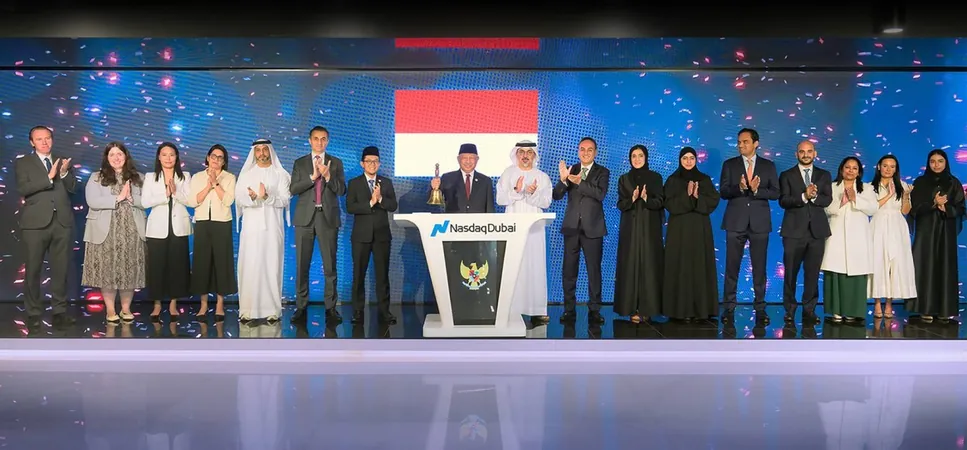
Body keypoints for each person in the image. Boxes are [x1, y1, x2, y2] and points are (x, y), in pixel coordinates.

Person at [15, 125, 77, 329]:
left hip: (62, 223)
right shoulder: (23, 162)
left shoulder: (62, 160)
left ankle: (59, 312)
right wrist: (48, 177)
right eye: (39, 139)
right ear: (32, 142)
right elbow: (23, 188)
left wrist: (64, 174)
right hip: (35, 225)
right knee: (33, 270)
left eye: (47, 138)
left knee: (61, 270)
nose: (44, 142)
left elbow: (73, 189)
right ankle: (33, 313)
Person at [81, 142, 147, 323]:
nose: (116, 158)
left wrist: (131, 198)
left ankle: (126, 309)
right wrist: (118, 198)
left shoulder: (139, 177)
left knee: (129, 271)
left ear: (126, 156)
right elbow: (92, 201)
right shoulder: (96, 177)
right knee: (107, 271)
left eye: (120, 154)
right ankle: (110, 310)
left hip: (132, 230)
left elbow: (146, 201)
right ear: (106, 158)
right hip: (105, 231)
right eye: (112, 155)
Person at [719, 127, 779, 323]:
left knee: (759, 268)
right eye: (739, 142)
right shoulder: (729, 165)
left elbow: (775, 193)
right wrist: (740, 188)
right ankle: (729, 308)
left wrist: (757, 190)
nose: (741, 145)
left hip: (759, 223)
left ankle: (760, 308)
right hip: (735, 221)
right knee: (732, 267)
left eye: (745, 142)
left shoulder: (768, 166)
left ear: (756, 143)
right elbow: (724, 192)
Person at [290, 126, 347, 323]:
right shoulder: (300, 163)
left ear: (327, 141)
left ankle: (331, 308)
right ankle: (301, 307)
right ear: (310, 141)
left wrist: (328, 176)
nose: (319, 142)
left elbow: (341, 190)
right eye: (316, 139)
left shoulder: (336, 163)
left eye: (323, 139)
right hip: (304, 219)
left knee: (330, 266)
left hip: (327, 218)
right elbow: (293, 188)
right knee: (302, 265)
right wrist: (312, 178)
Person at [553, 137, 609, 324]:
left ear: (595, 152)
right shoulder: (572, 169)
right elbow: (556, 195)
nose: (585, 153)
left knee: (594, 271)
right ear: (578, 151)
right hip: (571, 228)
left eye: (589, 150)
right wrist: (563, 180)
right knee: (569, 271)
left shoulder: (603, 171)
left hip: (593, 229)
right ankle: (569, 310)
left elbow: (600, 194)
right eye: (582, 149)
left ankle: (594, 310)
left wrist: (580, 182)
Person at [495, 140, 553, 324]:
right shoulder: (508, 173)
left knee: (535, 264)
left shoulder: (542, 177)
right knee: (513, 264)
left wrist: (533, 193)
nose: (525, 156)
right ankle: (510, 308)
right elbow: (500, 199)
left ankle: (537, 310)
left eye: (529, 152)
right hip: (512, 225)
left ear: (534, 155)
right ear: (516, 154)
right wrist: (517, 190)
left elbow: (546, 202)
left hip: (534, 228)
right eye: (522, 152)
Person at [235, 139, 291, 323]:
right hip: (251, 229)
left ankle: (272, 310)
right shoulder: (246, 175)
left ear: (270, 151)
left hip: (273, 228)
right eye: (257, 150)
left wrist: (267, 197)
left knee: (272, 265)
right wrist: (252, 197)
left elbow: (285, 200)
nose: (261, 153)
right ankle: (247, 310)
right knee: (249, 265)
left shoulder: (281, 174)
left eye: (264, 149)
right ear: (254, 152)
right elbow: (239, 199)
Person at [661, 147, 721, 320]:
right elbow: (668, 203)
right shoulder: (673, 180)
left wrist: (696, 197)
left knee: (699, 264)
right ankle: (679, 311)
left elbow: (713, 200)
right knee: (680, 265)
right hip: (678, 231)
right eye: (685, 158)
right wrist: (687, 197)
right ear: (680, 160)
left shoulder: (704, 179)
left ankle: (701, 310)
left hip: (699, 230)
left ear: (696, 160)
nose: (688, 161)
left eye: (691, 158)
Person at [778, 140, 832, 324]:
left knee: (812, 274)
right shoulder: (787, 175)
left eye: (809, 151)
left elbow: (827, 199)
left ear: (815, 153)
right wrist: (803, 196)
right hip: (793, 232)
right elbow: (783, 200)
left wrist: (814, 197)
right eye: (802, 151)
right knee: (790, 273)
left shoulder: (824, 175)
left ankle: (809, 310)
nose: (806, 154)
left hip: (817, 232)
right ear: (796, 154)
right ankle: (790, 309)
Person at [908, 149, 965, 322]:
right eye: (932, 161)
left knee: (945, 266)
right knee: (925, 266)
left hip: (945, 230)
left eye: (940, 161)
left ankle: (944, 310)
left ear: (946, 163)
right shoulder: (921, 182)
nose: (936, 165)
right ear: (928, 163)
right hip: (926, 231)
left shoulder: (953, 183)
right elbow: (914, 208)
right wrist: (933, 204)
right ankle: (924, 309)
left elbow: (962, 208)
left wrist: (946, 208)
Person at [345, 146, 398, 325]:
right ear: (362, 163)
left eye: (375, 161)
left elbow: (393, 206)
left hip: (382, 236)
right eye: (369, 161)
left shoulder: (386, 182)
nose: (372, 164)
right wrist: (370, 202)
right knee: (358, 275)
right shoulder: (354, 183)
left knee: (382, 276)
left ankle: (385, 311)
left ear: (379, 163)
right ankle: (357, 311)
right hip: (361, 237)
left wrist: (380, 199)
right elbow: (350, 207)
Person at [821, 156, 877, 322]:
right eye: (847, 167)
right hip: (836, 234)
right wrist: (842, 201)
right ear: (841, 169)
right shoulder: (832, 187)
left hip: (858, 237)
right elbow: (825, 208)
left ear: (859, 172)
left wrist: (855, 199)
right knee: (836, 270)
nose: (850, 171)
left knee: (856, 271)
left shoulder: (867, 188)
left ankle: (853, 311)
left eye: (854, 168)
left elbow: (873, 208)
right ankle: (836, 311)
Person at [141, 142, 193, 321]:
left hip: (179, 227)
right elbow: (145, 202)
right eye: (164, 154)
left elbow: (190, 200)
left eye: (172, 154)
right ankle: (157, 304)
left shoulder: (185, 176)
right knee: (157, 266)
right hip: (157, 228)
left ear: (177, 157)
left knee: (177, 266)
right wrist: (165, 194)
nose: (168, 158)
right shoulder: (150, 177)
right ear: (159, 157)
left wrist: (176, 193)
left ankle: (173, 303)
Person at [613, 144, 664, 323]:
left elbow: (660, 202)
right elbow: (620, 204)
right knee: (630, 265)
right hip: (630, 229)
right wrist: (633, 199)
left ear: (646, 157)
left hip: (650, 228)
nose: (637, 159)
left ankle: (647, 309)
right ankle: (631, 307)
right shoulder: (624, 179)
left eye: (640, 155)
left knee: (649, 265)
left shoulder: (655, 178)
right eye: (633, 156)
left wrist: (646, 198)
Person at [188, 144, 238, 321]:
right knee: (202, 263)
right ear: (208, 158)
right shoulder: (197, 177)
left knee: (221, 263)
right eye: (213, 156)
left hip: (222, 223)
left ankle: (219, 304)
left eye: (220, 157)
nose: (216, 160)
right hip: (202, 222)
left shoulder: (229, 177)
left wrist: (216, 183)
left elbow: (228, 201)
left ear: (224, 161)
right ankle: (203, 304)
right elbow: (193, 201)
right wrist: (208, 185)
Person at [869, 155, 916, 318]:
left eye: (892, 166)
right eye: (885, 165)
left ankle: (889, 303)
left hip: (897, 226)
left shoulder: (902, 185)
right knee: (877, 262)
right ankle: (877, 302)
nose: (888, 169)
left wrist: (906, 196)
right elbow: (872, 208)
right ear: (879, 167)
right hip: (878, 224)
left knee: (894, 263)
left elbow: (905, 211)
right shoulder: (870, 187)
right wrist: (889, 194)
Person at [429, 143, 495, 213]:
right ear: (458, 159)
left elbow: (490, 209)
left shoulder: (486, 181)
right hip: (453, 220)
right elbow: (432, 204)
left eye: (471, 158)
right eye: (464, 158)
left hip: (478, 220)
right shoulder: (447, 178)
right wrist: (433, 188)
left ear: (477, 159)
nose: (468, 161)